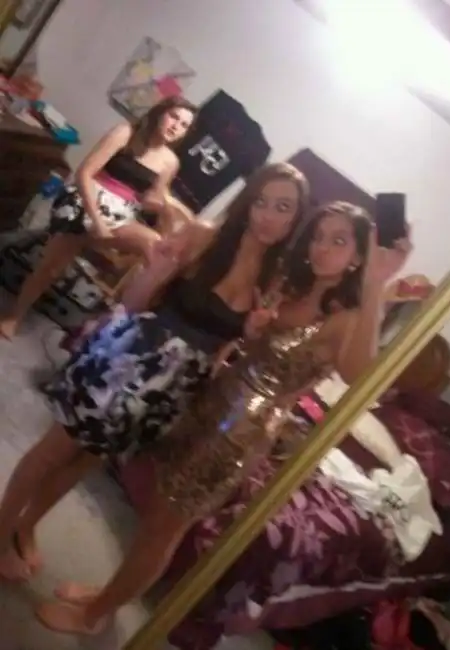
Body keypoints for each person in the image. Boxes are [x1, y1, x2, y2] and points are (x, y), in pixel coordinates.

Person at [15, 201, 409, 634]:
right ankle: (106, 597)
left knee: (165, 528)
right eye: (318, 236)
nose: (322, 248)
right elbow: (249, 346)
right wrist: (254, 331)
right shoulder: (294, 287)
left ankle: (95, 616)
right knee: (155, 517)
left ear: (358, 258)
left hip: (240, 434)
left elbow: (362, 377)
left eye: (338, 241)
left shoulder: (348, 317)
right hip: (208, 403)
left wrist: (376, 285)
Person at [0, 162, 309, 587]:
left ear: (296, 218)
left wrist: (253, 336)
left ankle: (27, 524)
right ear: (247, 203)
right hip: (133, 354)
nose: (268, 216)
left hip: (176, 385)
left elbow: (226, 351)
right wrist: (156, 272)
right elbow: (132, 301)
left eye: (283, 207)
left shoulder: (274, 281)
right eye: (262, 202)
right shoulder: (204, 236)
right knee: (56, 448)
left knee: (88, 458)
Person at [0, 95, 197, 340]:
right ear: (160, 113)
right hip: (86, 199)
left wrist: (168, 206)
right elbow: (85, 172)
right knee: (52, 267)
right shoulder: (125, 133)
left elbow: (150, 199)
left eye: (184, 125)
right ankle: (14, 316)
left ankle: (107, 324)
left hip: (121, 213)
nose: (176, 126)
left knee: (156, 249)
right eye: (174, 117)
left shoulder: (170, 162)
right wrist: (97, 221)